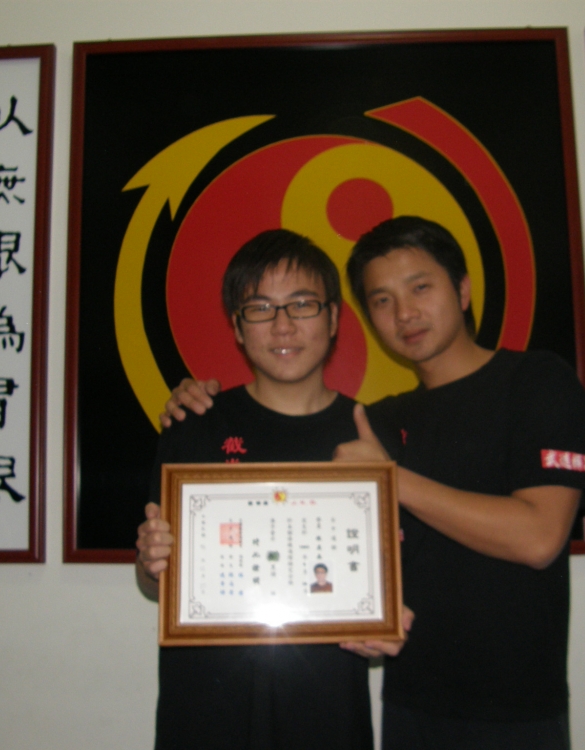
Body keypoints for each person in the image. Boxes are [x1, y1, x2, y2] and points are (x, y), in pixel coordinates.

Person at [160, 216, 585, 750]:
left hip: (514, 708)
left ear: (462, 290)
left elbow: (539, 538)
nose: (405, 313)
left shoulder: (537, 382)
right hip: (408, 701)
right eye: (382, 300)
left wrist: (389, 478)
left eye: (421, 288)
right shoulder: (381, 421)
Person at [135, 228, 409, 750]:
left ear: (333, 318)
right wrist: (151, 564)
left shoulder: (372, 439)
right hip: (204, 712)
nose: (283, 325)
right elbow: (154, 583)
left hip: (326, 714)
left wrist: (389, 616)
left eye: (302, 304)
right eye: (260, 308)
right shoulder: (195, 425)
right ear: (238, 328)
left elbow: (396, 583)